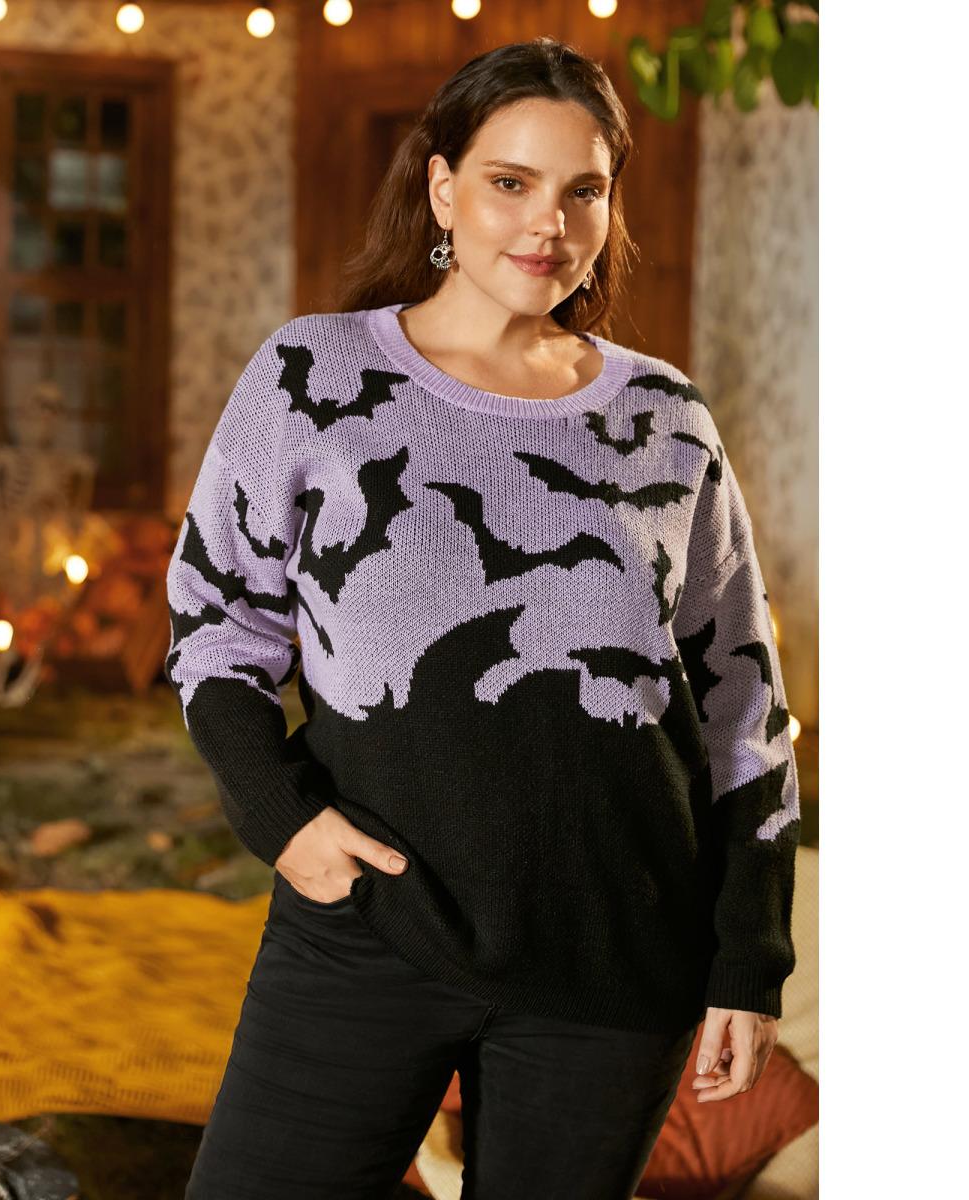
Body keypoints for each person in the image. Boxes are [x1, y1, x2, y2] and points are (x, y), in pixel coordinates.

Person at [164, 35, 800, 1200]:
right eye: (511, 181)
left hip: (617, 964)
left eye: (583, 191)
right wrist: (285, 820)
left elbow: (743, 705)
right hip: (367, 931)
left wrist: (750, 959)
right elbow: (216, 623)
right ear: (444, 188)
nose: (547, 224)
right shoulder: (311, 378)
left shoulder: (667, 420)